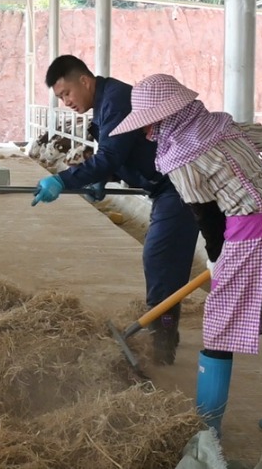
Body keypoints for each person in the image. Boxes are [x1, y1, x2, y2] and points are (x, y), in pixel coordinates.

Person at [110, 73, 262, 446]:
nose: (145, 132)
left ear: (166, 116)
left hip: (251, 233)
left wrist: (218, 259)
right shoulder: (224, 125)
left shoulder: (181, 158)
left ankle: (207, 430)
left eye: (149, 123)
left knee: (219, 330)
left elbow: (208, 217)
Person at [32, 55, 200, 365]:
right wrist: (106, 177)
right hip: (163, 185)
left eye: (67, 93)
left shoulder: (117, 100)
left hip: (178, 185)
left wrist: (63, 179)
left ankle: (162, 343)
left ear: (85, 81)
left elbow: (111, 154)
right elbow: (124, 153)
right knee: (165, 261)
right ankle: (164, 330)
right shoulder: (107, 102)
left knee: (160, 256)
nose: (66, 101)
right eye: (60, 98)